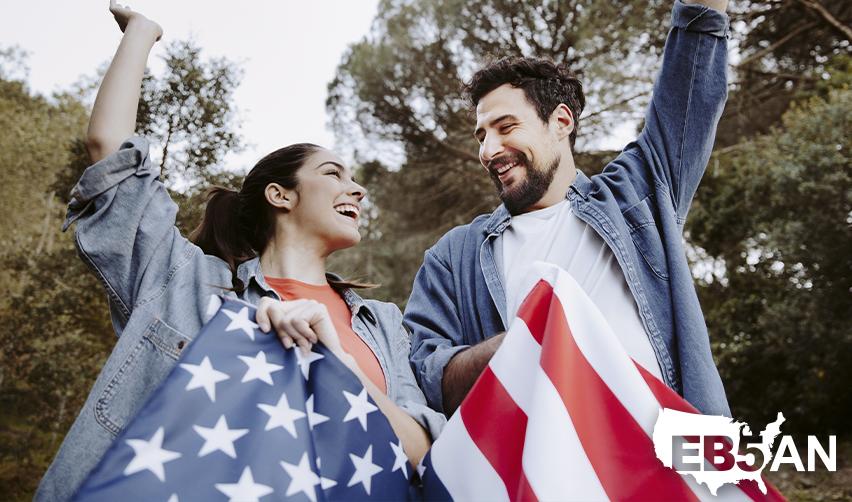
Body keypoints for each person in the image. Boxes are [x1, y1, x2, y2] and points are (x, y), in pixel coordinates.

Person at [36, 3, 443, 500]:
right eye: (334, 173)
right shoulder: (185, 281)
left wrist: (345, 367)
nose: (357, 190)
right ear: (280, 195)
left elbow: (425, 453)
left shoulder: (382, 325)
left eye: (356, 180)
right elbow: (111, 152)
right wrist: (142, 33)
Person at [405, 0, 733, 418]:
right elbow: (428, 381)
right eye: (481, 136)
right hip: (541, 475)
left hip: (668, 467)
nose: (488, 150)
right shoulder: (454, 257)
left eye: (506, 128)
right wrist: (524, 340)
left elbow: (691, 75)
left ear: (561, 122)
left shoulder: (636, 194)